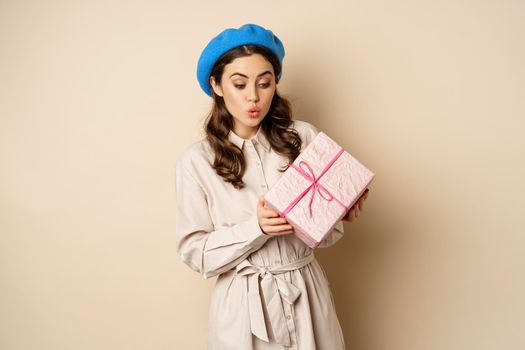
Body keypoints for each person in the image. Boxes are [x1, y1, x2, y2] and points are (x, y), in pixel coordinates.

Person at [175, 23, 369, 350]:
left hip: (305, 293)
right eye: (239, 84)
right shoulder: (197, 161)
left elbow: (329, 237)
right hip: (242, 305)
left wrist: (336, 211)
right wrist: (257, 227)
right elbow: (196, 253)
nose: (254, 96)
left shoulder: (303, 137)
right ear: (216, 85)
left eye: (264, 83)